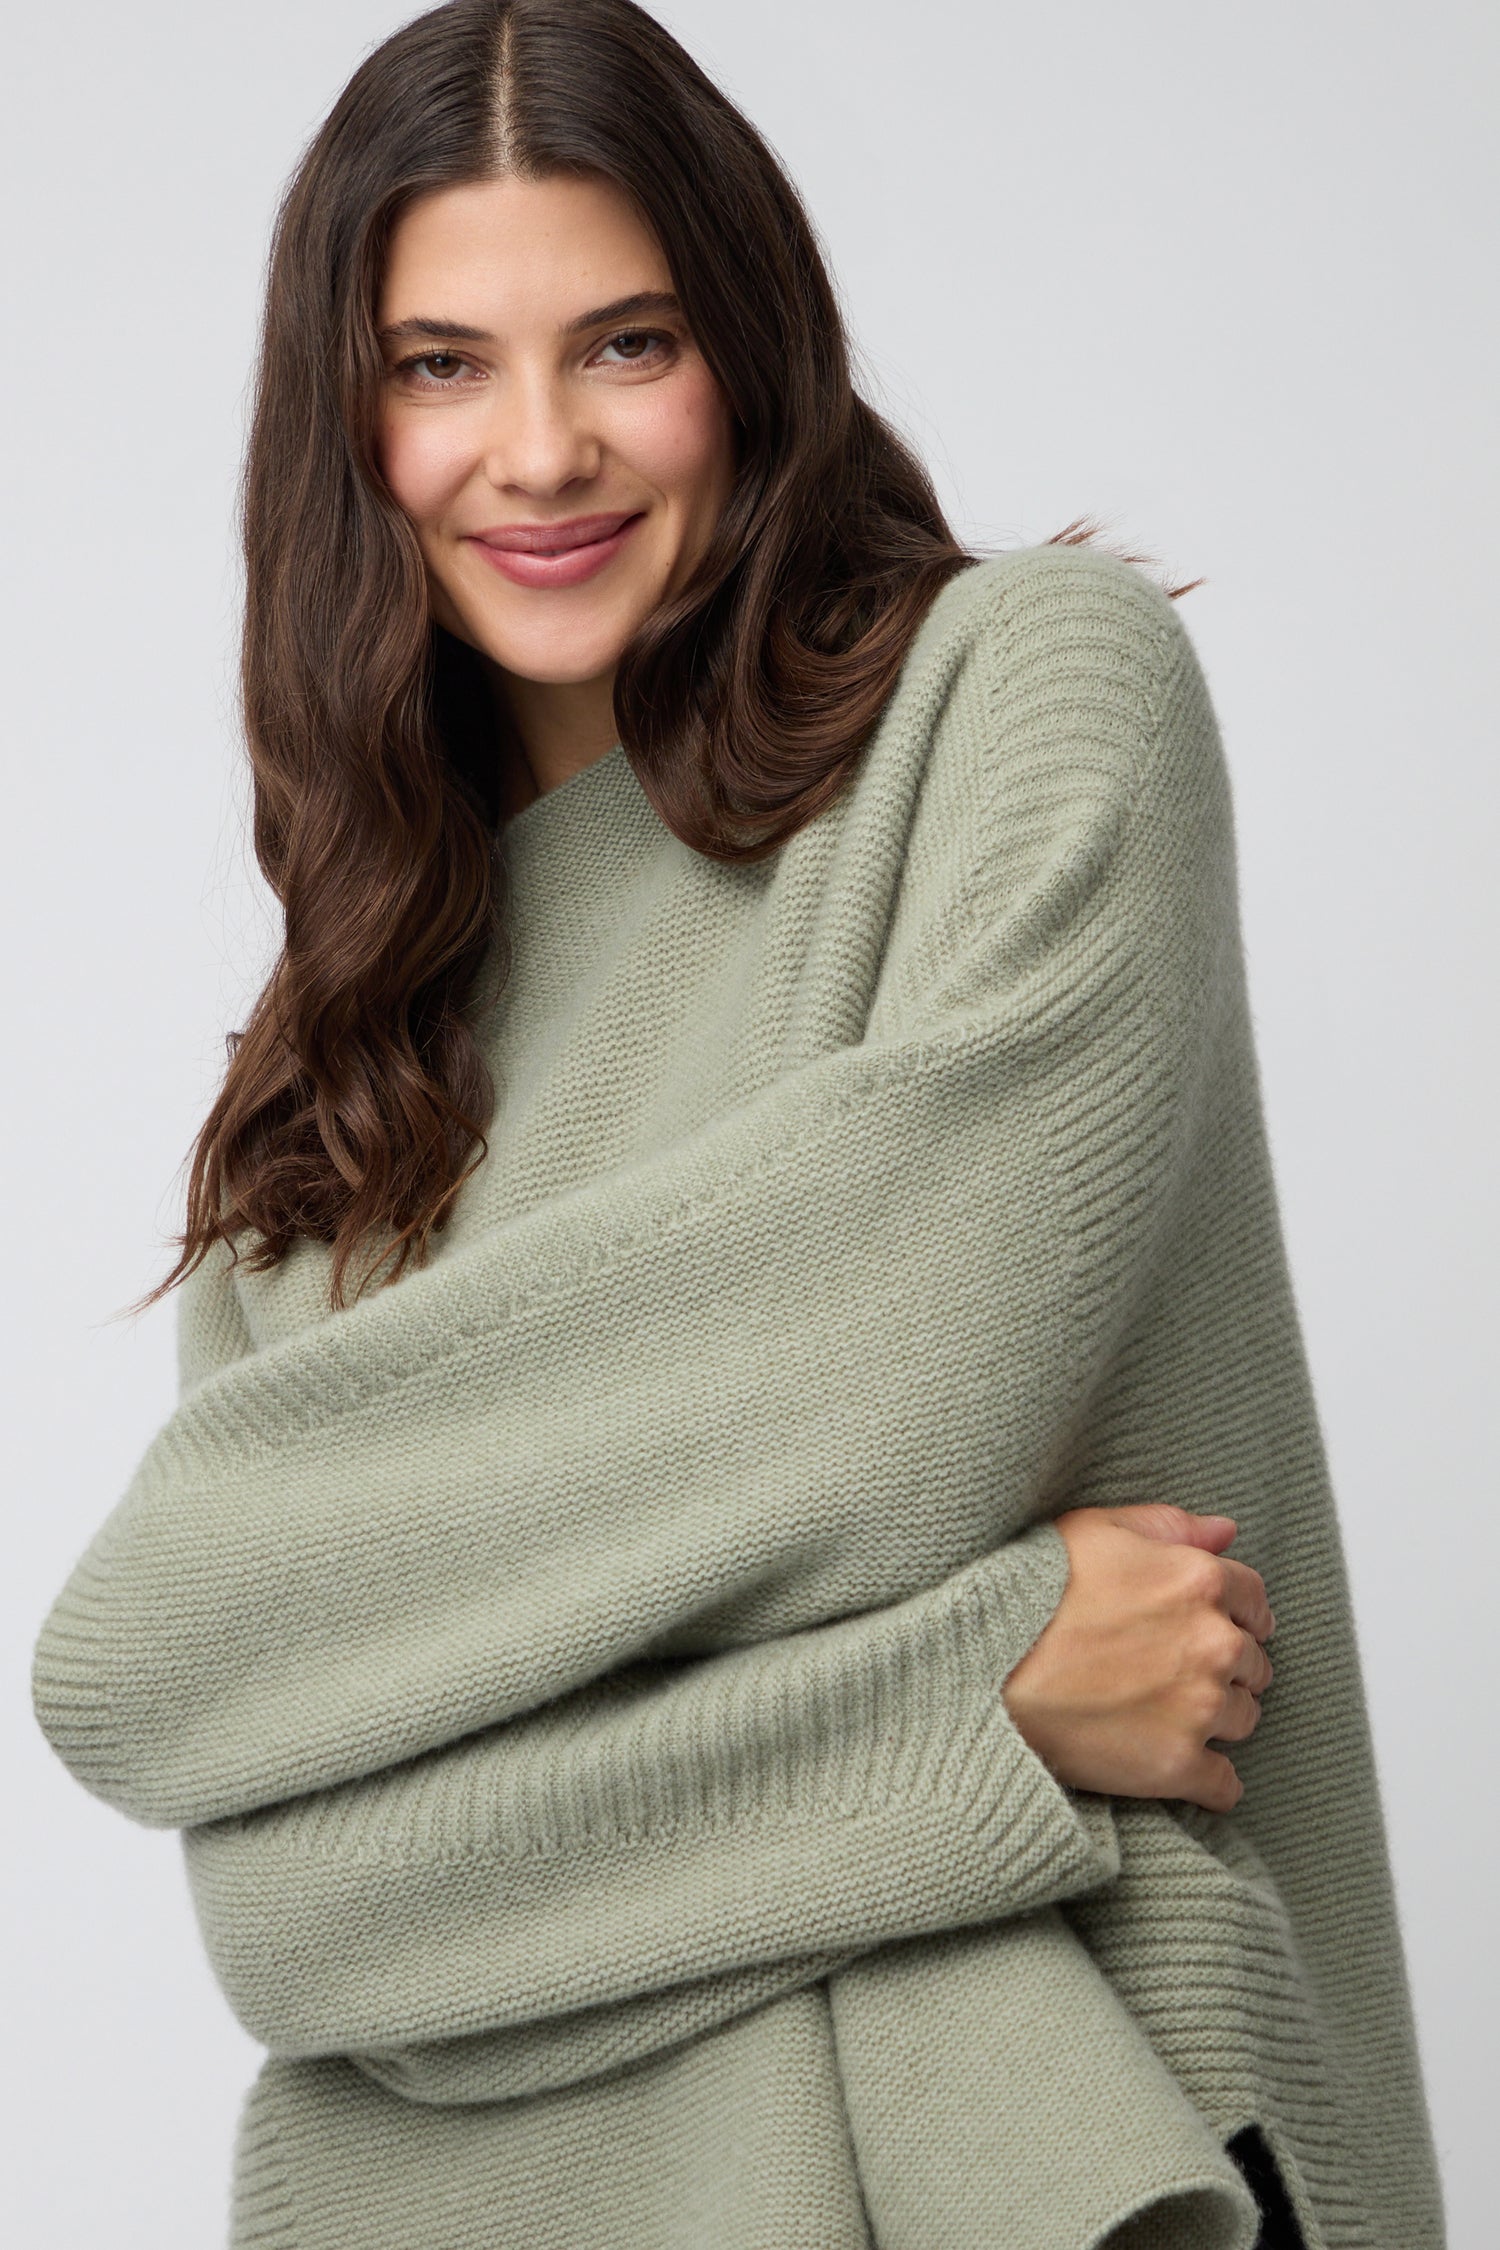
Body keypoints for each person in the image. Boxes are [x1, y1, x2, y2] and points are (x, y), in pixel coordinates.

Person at [31, 4, 1443, 2247]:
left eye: (625, 340)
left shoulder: (1027, 707)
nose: (540, 450)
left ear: (748, 348)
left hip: (1049, 2156)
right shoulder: (336, 1107)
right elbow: (269, 1870)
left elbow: (906, 1394)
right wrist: (967, 1703)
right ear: (345, 426)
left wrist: (502, 1745)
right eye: (438, 367)